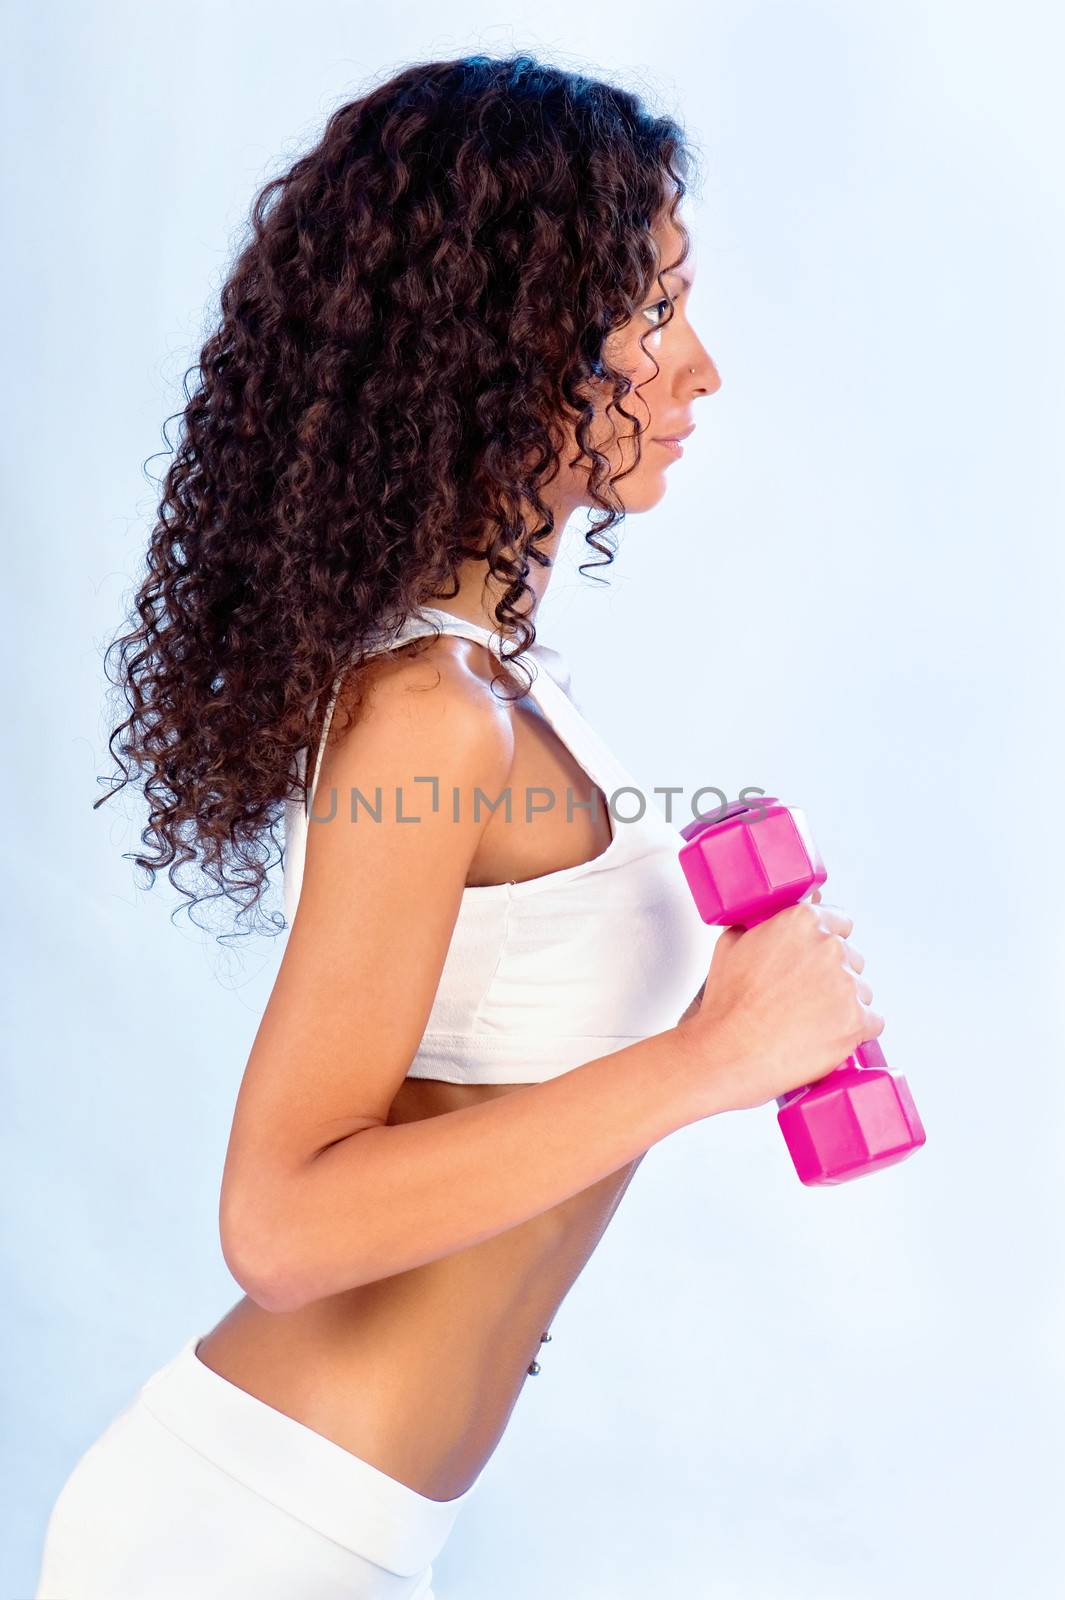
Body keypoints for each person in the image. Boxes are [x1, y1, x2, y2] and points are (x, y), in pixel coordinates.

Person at [35, 52, 882, 1599]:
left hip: (343, 1530)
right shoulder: (432, 714)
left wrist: (724, 1004)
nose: (699, 370)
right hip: (240, 1538)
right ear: (499, 348)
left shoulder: (499, 691)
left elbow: (487, 1082)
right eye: (649, 313)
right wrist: (708, 1060)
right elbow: (279, 1227)